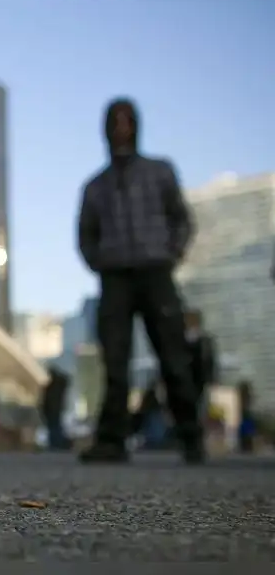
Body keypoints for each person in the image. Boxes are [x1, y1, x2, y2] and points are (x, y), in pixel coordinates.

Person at [76, 97, 203, 464]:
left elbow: (182, 218)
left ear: (136, 126)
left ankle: (190, 436)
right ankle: (112, 440)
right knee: (115, 361)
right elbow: (85, 235)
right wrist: (100, 261)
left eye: (127, 121)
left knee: (173, 356)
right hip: (115, 277)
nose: (121, 129)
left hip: (155, 272)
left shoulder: (160, 172)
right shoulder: (95, 187)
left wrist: (171, 252)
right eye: (114, 122)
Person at [184, 309, 217, 414]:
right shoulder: (181, 341)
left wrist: (212, 380)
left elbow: (209, 361)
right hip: (189, 381)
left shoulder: (205, 341)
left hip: (200, 380)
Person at [42, 366, 71, 451]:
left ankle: (55, 444)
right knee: (55, 426)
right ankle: (57, 443)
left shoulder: (53, 387)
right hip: (55, 409)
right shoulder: (59, 386)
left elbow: (48, 400)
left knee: (53, 427)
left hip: (52, 410)